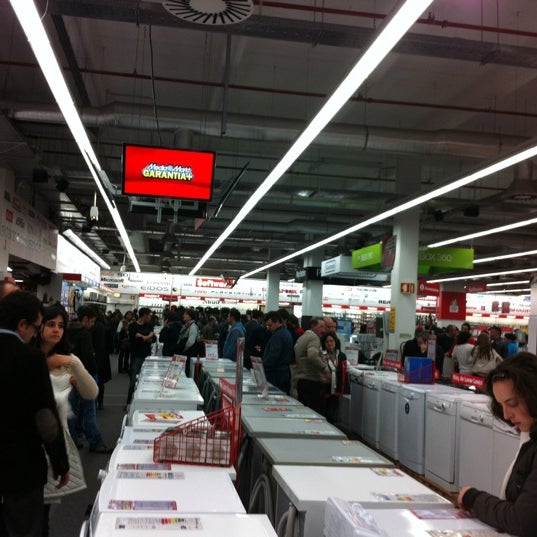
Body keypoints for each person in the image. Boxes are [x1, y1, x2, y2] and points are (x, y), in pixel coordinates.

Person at [0, 291, 69, 537]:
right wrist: (60, 461)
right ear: (22, 324)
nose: (33, 335)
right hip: (22, 465)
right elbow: (45, 418)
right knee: (24, 528)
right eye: (36, 327)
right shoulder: (30, 358)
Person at [458, 352, 537, 537]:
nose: (507, 415)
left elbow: (521, 521)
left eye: (513, 403)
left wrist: (474, 498)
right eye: (501, 405)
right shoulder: (530, 437)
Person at [36, 304, 98, 536]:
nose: (56, 330)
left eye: (61, 325)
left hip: (55, 439)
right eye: (51, 324)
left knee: (43, 513)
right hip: (27, 439)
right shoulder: (25, 355)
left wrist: (72, 364)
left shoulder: (67, 360)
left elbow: (91, 393)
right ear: (39, 325)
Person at [67, 305, 112, 453]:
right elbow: (88, 356)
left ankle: (73, 437)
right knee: (89, 409)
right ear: (85, 319)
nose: (93, 325)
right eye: (92, 321)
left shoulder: (68, 331)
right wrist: (95, 372)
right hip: (85, 374)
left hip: (70, 375)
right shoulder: (85, 334)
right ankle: (95, 441)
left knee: (73, 408)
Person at [292, 317, 330, 414]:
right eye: (320, 327)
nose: (323, 330)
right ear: (313, 326)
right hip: (312, 381)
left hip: (302, 380)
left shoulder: (302, 338)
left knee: (304, 413)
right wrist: (325, 369)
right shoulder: (314, 338)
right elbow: (312, 355)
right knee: (315, 414)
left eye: (324, 327)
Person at [126, 307, 155, 405]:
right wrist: (148, 336)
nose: (150, 317)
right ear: (144, 315)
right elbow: (135, 341)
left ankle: (142, 403)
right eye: (149, 315)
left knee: (146, 381)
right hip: (136, 356)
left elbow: (154, 339)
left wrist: (142, 337)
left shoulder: (149, 325)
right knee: (133, 381)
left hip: (147, 356)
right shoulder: (133, 326)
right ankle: (129, 403)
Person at [262, 311, 293, 393]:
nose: (268, 328)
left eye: (270, 325)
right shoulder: (286, 333)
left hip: (275, 374)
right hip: (283, 373)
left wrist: (262, 365)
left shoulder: (278, 336)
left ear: (277, 322)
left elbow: (273, 356)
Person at [321, 332, 348, 423]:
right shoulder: (321, 355)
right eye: (327, 342)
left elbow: (348, 367)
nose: (329, 343)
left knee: (332, 412)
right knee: (324, 411)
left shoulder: (341, 355)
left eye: (331, 341)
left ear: (335, 342)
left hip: (336, 388)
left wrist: (361, 373)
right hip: (324, 388)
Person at [175, 308, 200, 376]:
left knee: (186, 371)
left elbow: (191, 341)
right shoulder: (187, 326)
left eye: (185, 314)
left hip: (188, 354)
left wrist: (183, 349)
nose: (183, 315)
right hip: (185, 354)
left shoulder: (193, 326)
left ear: (190, 316)